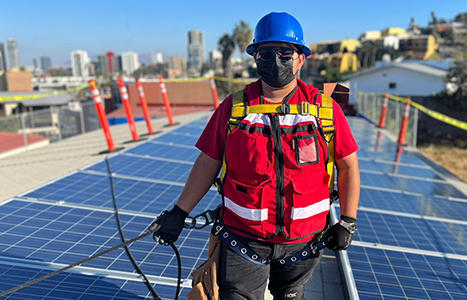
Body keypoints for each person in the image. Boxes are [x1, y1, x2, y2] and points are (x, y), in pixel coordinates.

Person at [151, 12, 360, 300]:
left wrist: (347, 221)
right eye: (266, 53)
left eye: (286, 52)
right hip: (243, 240)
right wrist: (179, 212)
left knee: (292, 295)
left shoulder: (325, 111)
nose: (276, 60)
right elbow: (207, 162)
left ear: (301, 58)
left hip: (305, 243)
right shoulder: (234, 108)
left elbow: (348, 166)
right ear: (255, 57)